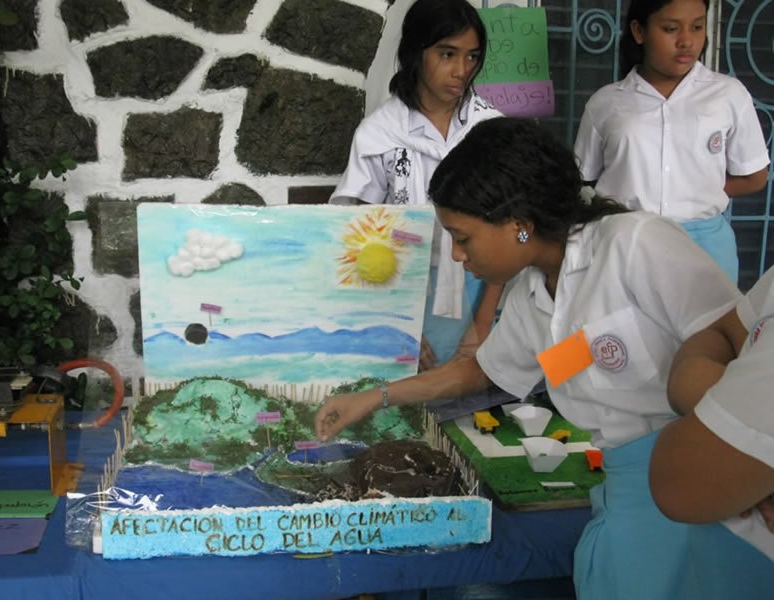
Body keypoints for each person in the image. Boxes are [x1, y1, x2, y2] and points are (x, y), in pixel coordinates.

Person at [315, 117, 746, 599]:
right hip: (625, 491)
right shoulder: (530, 296)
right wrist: (376, 397)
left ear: (519, 227)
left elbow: (736, 341)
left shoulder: (633, 244)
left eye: (463, 238)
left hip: (702, 479)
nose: (458, 256)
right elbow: (481, 372)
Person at [331, 0, 504, 370]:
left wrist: (483, 322)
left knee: (471, 402)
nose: (461, 70)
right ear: (415, 52)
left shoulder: (492, 131)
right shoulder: (380, 135)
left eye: (472, 56)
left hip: (483, 289)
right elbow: (357, 236)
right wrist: (397, 324)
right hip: (401, 293)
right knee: (410, 398)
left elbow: (513, 231)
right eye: (447, 54)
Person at [573, 0, 769, 283]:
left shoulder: (728, 95)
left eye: (698, 27)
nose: (687, 41)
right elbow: (584, 181)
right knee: (619, 325)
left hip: (705, 248)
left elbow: (754, 176)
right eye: (670, 28)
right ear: (639, 32)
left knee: (709, 325)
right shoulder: (606, 103)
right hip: (625, 243)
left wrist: (692, 188)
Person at [649, 266, 774, 597]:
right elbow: (718, 334)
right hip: (720, 552)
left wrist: (732, 421)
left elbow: (680, 481)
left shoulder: (632, 240)